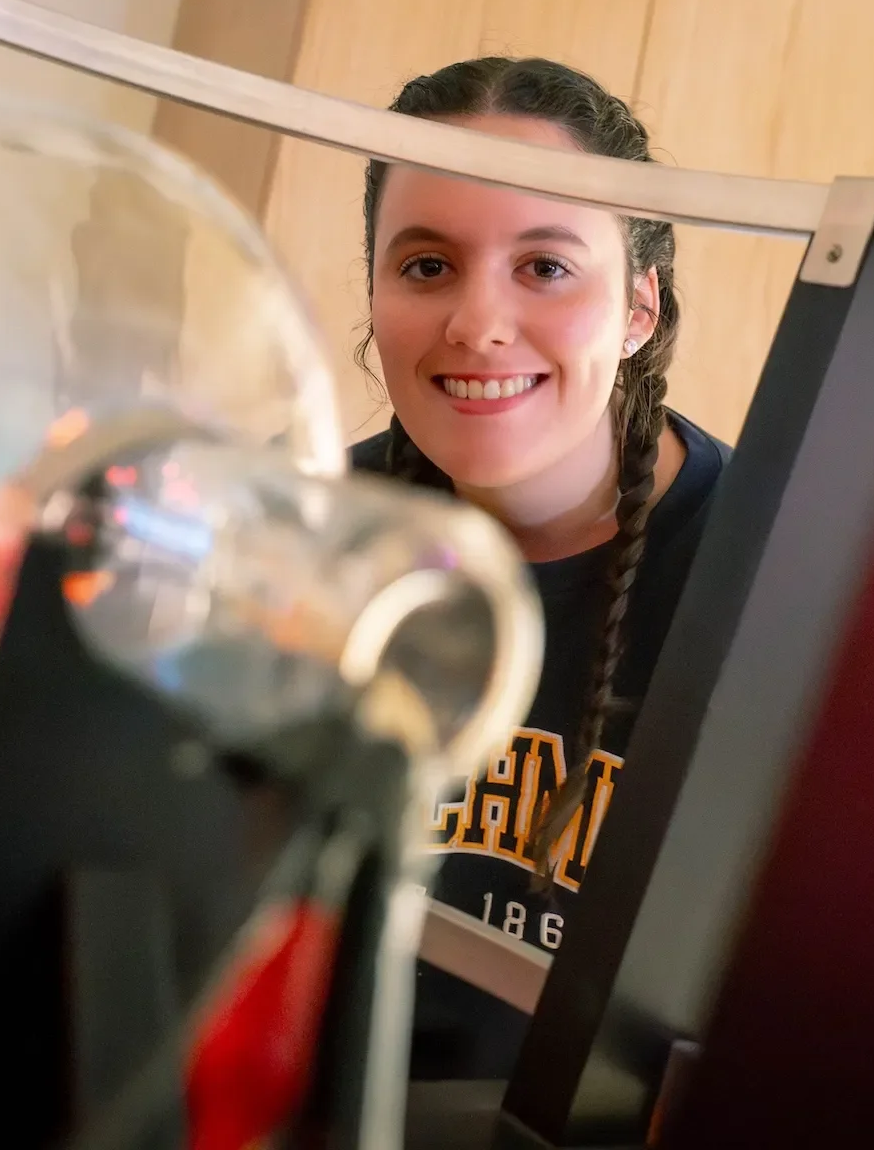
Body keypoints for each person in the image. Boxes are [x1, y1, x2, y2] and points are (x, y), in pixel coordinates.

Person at [350, 56, 731, 1080]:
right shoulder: (317, 533)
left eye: (546, 267)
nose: (477, 324)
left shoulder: (774, 582)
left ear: (639, 308)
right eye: (427, 265)